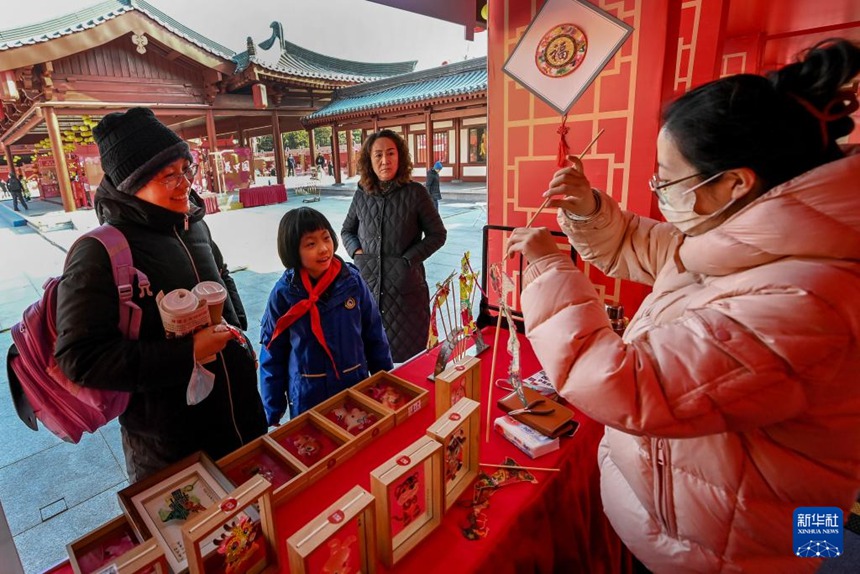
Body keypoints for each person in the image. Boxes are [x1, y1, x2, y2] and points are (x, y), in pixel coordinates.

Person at [506, 39, 860, 573]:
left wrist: (545, 268)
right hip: (709, 520)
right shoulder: (748, 245)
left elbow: (626, 384)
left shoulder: (808, 299)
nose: (659, 190)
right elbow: (638, 245)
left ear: (736, 184)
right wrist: (586, 206)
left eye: (669, 179)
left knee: (816, 556)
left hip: (742, 550)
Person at [54, 107, 267, 482]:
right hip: (172, 449)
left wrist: (235, 325)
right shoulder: (100, 251)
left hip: (242, 421)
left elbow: (221, 274)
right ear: (131, 185)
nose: (184, 183)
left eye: (186, 169)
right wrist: (187, 353)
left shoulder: (192, 225)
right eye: (169, 176)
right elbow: (79, 359)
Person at [259, 207, 393, 424]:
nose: (323, 249)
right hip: (308, 396)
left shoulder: (352, 281)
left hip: (353, 385)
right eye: (311, 244)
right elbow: (272, 352)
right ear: (293, 250)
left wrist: (385, 379)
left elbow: (374, 333)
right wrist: (273, 407)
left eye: (326, 238)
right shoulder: (284, 293)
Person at [342, 129, 447, 362]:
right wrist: (358, 254)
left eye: (390, 153)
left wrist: (407, 260)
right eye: (378, 155)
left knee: (409, 360)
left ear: (400, 157)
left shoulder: (416, 193)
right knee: (372, 359)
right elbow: (347, 230)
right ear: (369, 160)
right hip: (368, 288)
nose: (385, 160)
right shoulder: (362, 193)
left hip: (406, 291)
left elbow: (437, 234)